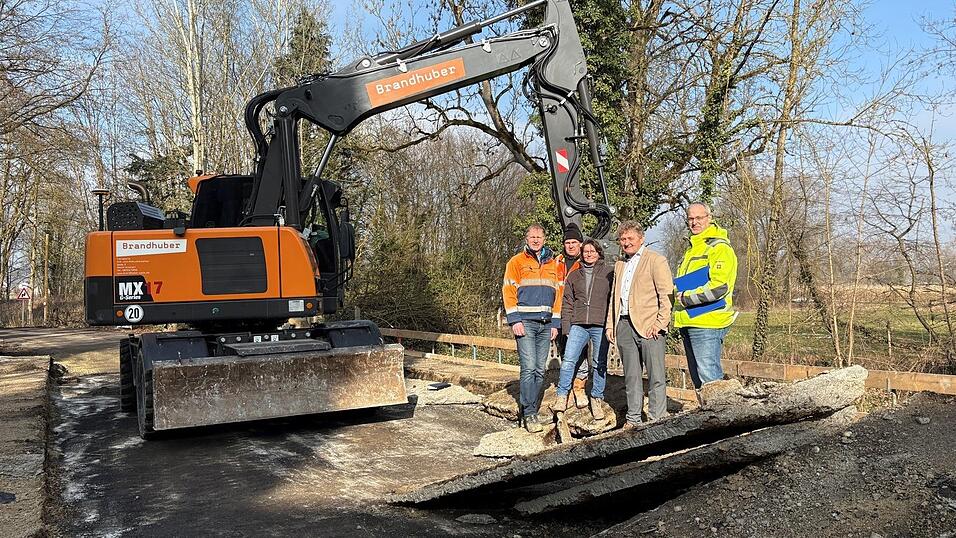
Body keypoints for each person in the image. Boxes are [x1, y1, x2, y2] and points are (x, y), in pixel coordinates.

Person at [604, 221, 673, 428]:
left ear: (641, 239)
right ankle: (633, 419)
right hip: (624, 325)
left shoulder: (656, 260)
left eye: (630, 239)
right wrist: (610, 324)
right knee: (631, 377)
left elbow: (666, 295)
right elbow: (614, 298)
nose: (626, 243)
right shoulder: (620, 265)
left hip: (649, 326)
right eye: (623, 239)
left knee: (656, 376)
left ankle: (656, 418)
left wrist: (660, 323)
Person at [502, 224, 563, 432]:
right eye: (532, 236)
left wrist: (556, 322)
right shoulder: (516, 262)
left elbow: (558, 296)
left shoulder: (553, 264)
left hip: (546, 324)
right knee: (528, 368)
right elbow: (508, 291)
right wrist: (514, 320)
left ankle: (533, 409)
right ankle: (528, 413)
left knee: (540, 369)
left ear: (544, 239)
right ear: (526, 239)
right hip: (525, 323)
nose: (536, 240)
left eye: (539, 237)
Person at [674, 202, 738, 397]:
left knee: (710, 381)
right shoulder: (692, 249)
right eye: (691, 219)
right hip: (690, 321)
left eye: (699, 218)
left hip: (708, 322)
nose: (694, 222)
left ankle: (724, 424)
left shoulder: (719, 248)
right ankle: (709, 422)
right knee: (700, 384)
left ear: (710, 218)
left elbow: (720, 287)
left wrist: (686, 298)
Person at [552, 239, 613, 420]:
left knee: (599, 363)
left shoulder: (609, 272)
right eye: (586, 251)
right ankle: (562, 395)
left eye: (592, 251)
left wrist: (611, 323)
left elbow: (613, 299)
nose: (588, 254)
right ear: (581, 253)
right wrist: (567, 326)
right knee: (569, 360)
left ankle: (596, 397)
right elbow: (567, 303)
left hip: (600, 324)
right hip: (578, 324)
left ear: (599, 253)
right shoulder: (574, 276)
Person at [555, 222, 588, 408]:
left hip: (578, 315)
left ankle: (579, 386)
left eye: (574, 242)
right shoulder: (556, 262)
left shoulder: (585, 263)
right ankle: (565, 389)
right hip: (559, 314)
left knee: (581, 352)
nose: (570, 245)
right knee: (564, 352)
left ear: (580, 244)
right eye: (568, 242)